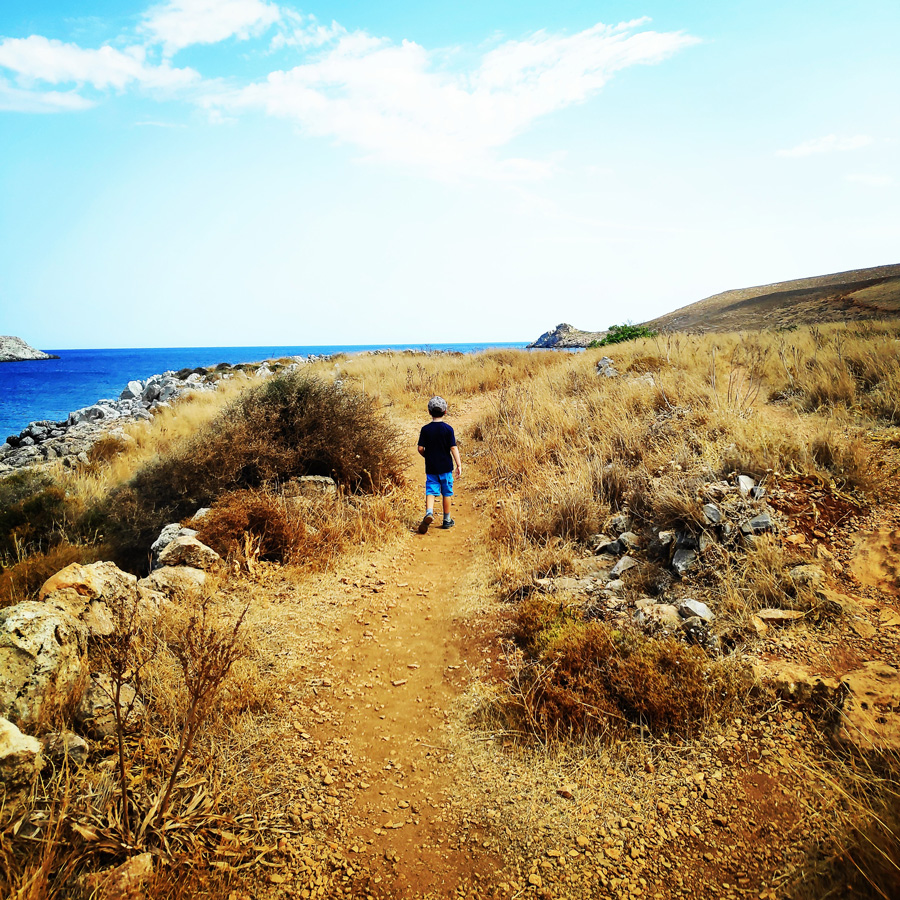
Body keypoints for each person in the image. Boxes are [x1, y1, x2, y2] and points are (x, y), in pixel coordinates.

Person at [416, 396, 462, 534]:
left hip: (431, 468)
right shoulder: (448, 429)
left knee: (430, 490)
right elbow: (453, 448)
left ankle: (429, 512)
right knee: (446, 493)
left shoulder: (425, 429)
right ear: (445, 411)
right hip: (446, 468)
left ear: (429, 412)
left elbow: (420, 448)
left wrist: (427, 456)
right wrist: (459, 464)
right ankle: (447, 520)